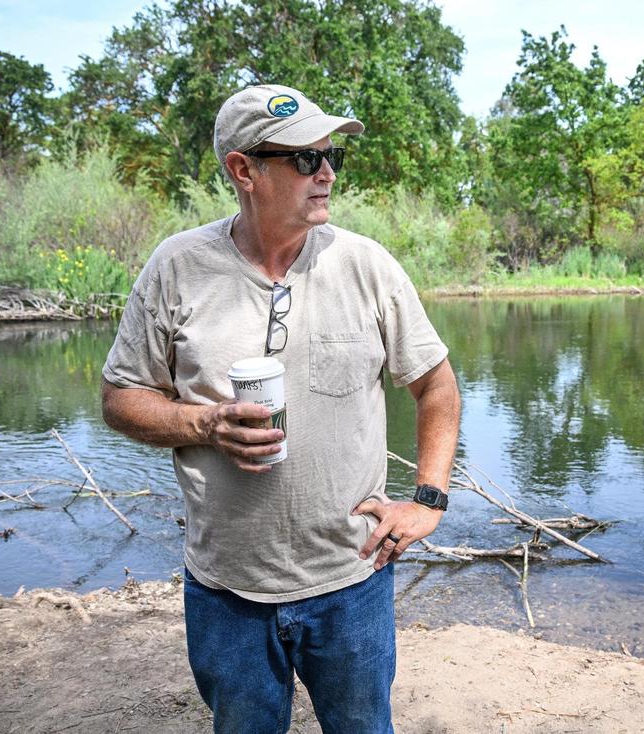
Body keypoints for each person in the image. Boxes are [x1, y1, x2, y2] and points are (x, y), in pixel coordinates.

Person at [100, 84, 461, 734]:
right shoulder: (178, 269)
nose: (326, 173)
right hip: (226, 594)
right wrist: (203, 423)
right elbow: (121, 399)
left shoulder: (366, 266)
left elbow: (435, 386)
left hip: (352, 582)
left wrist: (428, 501)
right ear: (244, 170)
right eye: (304, 159)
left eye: (331, 158)